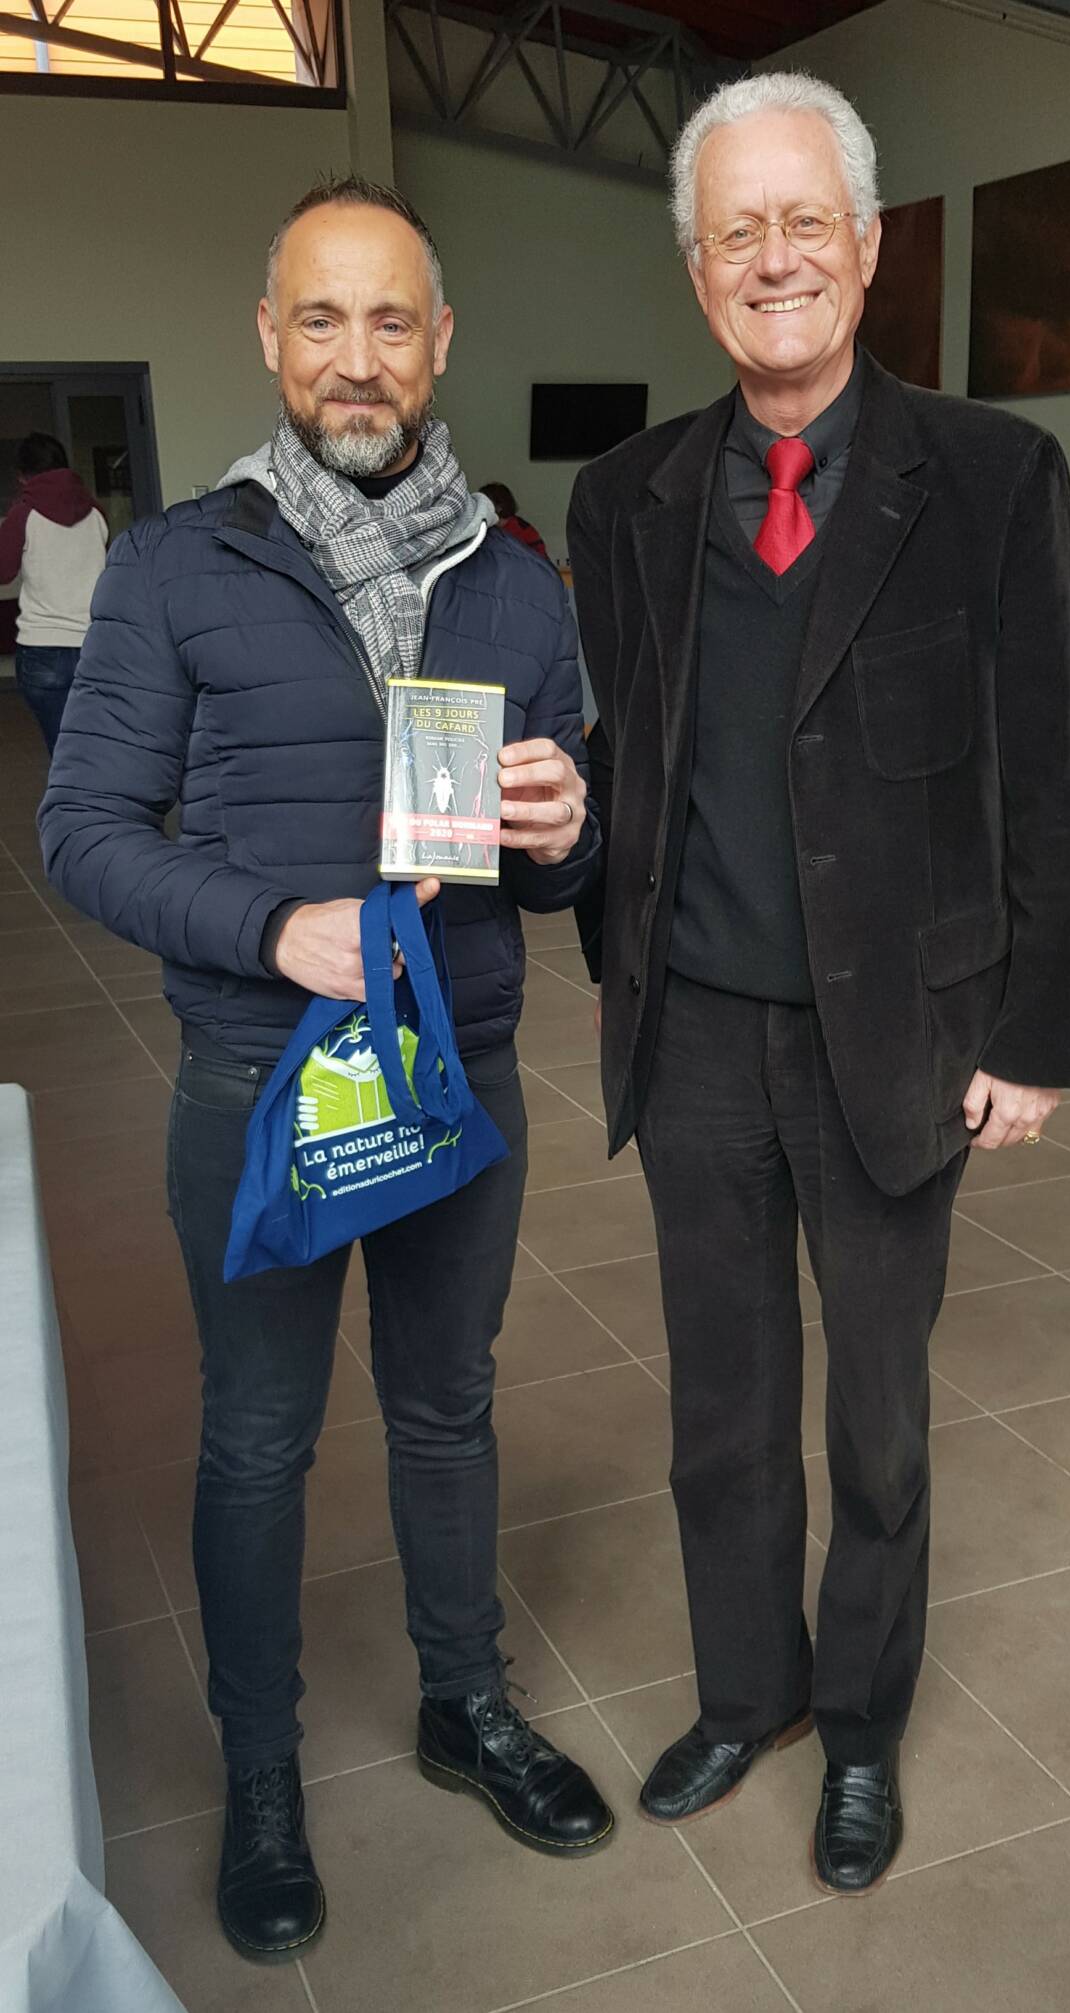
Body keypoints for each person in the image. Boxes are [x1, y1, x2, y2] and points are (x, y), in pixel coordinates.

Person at [40, 174, 613, 1965]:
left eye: (390, 322)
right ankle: (266, 1773)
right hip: (256, 1076)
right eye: (320, 319)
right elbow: (82, 830)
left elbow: (575, 851)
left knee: (448, 1402)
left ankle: (465, 1701)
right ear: (268, 339)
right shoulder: (172, 564)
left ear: (439, 344)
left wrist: (574, 818)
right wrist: (264, 926)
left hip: (463, 1072)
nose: (355, 360)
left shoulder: (518, 585)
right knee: (261, 1439)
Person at [568, 71, 1070, 1896]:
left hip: (902, 1037)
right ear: (698, 271)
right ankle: (749, 1691)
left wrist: (1037, 1032)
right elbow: (627, 765)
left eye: (809, 221)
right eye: (738, 230)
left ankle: (860, 1724)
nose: (774, 257)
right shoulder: (625, 496)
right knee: (721, 1401)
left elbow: (1051, 776)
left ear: (867, 249)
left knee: (876, 1402)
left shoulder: (992, 477)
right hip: (700, 1030)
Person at [0, 432, 107, 754]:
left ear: (23, 475)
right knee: (101, 740)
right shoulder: (96, 513)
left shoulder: (23, 515)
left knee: (63, 749)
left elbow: (3, 573)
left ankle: (75, 803)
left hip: (43, 647)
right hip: (96, 644)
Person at [481, 481, 551, 560]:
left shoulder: (521, 531)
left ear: (499, 507)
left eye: (484, 504)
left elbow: (540, 562)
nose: (480, 509)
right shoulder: (484, 530)